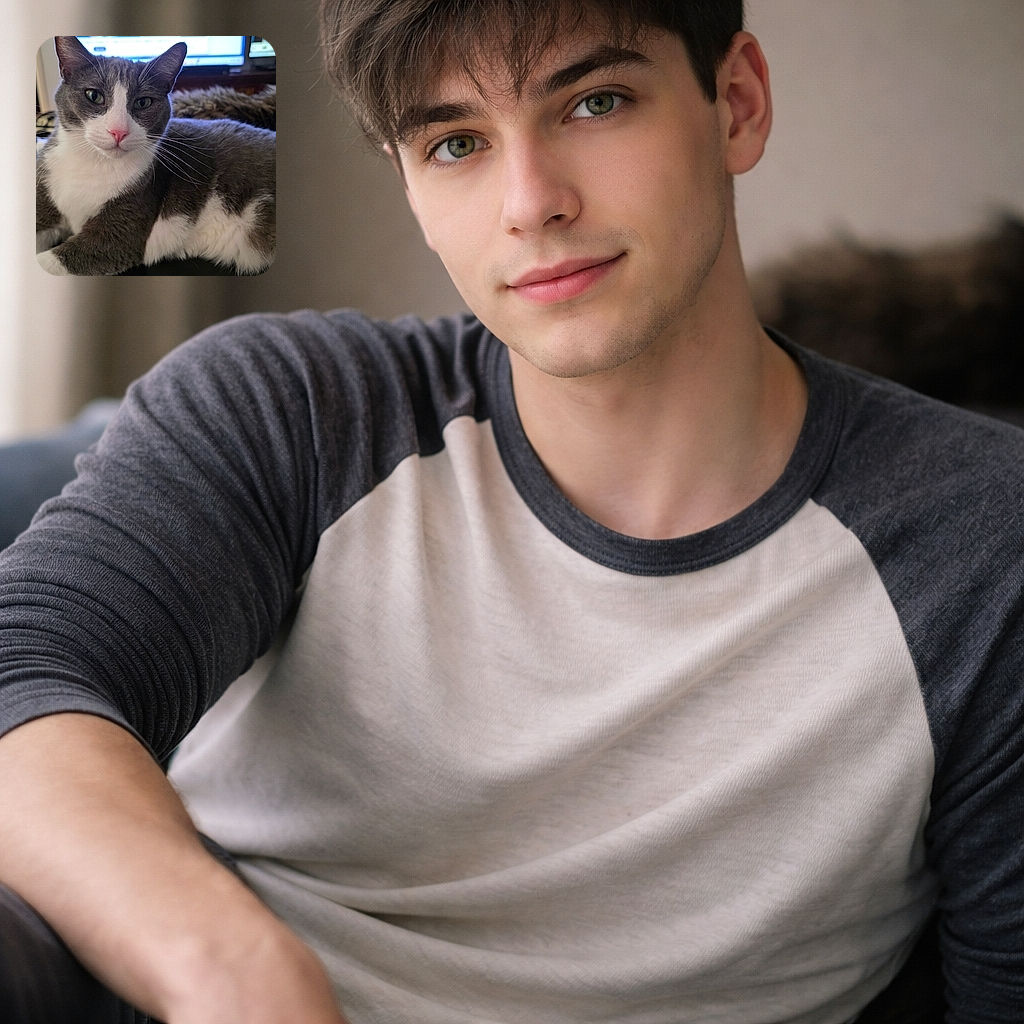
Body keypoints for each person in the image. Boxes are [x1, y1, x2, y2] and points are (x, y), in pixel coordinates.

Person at [1, 1, 1021, 1021]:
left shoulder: (983, 541)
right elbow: (23, 665)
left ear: (737, 105)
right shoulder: (295, 407)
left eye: (596, 101)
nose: (531, 202)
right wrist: (236, 975)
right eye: (455, 144)